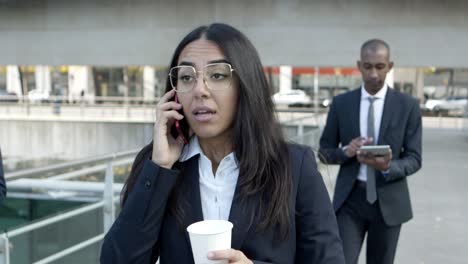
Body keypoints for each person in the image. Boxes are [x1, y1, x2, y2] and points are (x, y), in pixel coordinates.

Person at [101, 23, 344, 264]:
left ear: (245, 86)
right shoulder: (157, 164)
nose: (199, 90)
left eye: (217, 75)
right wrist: (159, 169)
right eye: (186, 77)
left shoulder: (293, 165)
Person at [319, 39, 422, 264]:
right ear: (359, 65)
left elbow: (414, 158)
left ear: (390, 66)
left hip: (390, 203)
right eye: (367, 66)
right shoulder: (341, 103)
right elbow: (324, 152)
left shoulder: (408, 106)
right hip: (350, 201)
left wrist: (388, 167)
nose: (373, 73)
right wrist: (346, 151)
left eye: (379, 66)